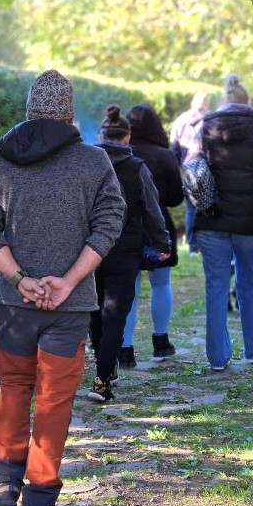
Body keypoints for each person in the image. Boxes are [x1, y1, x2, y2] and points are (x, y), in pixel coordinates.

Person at [0, 70, 125, 506]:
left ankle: (4, 481)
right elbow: (110, 221)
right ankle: (40, 501)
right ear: (70, 112)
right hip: (70, 304)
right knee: (55, 398)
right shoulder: (94, 161)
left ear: (28, 109)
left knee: (14, 387)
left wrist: (18, 278)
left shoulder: (0, 159)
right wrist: (68, 280)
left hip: (15, 301)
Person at [194, 74, 253, 370]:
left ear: (224, 102)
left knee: (216, 285)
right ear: (247, 104)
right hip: (249, 220)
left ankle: (217, 358)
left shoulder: (206, 128)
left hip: (212, 219)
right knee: (249, 282)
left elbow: (195, 169)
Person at [89, 105, 170, 402]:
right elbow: (152, 209)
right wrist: (162, 244)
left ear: (100, 135)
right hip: (125, 247)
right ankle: (102, 377)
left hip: (89, 248)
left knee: (95, 310)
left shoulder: (88, 163)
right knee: (115, 313)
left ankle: (104, 366)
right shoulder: (136, 167)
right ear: (127, 139)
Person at [121, 103, 184, 365]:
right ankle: (161, 341)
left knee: (128, 289)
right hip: (158, 226)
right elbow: (176, 197)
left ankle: (125, 349)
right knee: (161, 283)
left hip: (125, 226)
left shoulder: (120, 153)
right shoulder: (165, 155)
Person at [170, 92, 210, 254]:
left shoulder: (181, 120)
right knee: (208, 207)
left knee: (191, 208)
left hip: (187, 168)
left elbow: (174, 146)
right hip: (207, 168)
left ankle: (193, 246)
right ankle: (206, 243)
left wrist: (179, 166)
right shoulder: (212, 119)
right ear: (207, 103)